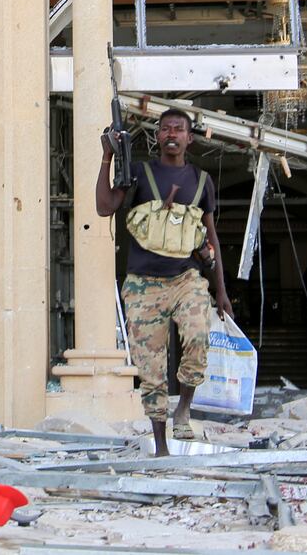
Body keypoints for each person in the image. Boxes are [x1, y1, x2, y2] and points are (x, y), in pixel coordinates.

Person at [97, 108, 232, 455]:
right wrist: (107, 157)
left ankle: (183, 408)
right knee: (151, 367)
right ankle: (160, 447)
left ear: (189, 137)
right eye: (166, 128)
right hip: (143, 284)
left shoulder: (202, 181)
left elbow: (211, 237)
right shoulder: (140, 174)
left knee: (199, 336)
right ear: (157, 136)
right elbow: (104, 206)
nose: (172, 134)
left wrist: (221, 290)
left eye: (179, 129)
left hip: (186, 278)